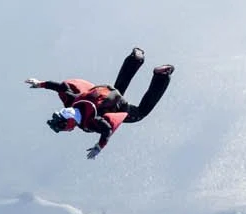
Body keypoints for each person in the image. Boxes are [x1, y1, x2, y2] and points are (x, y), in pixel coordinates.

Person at [28, 49, 172, 158]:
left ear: (70, 122)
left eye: (63, 127)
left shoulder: (90, 121)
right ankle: (135, 58)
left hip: (117, 105)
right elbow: (61, 87)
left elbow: (107, 129)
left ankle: (161, 76)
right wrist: (40, 84)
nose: (65, 129)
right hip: (107, 92)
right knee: (118, 90)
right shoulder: (74, 102)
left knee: (140, 113)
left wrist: (99, 146)